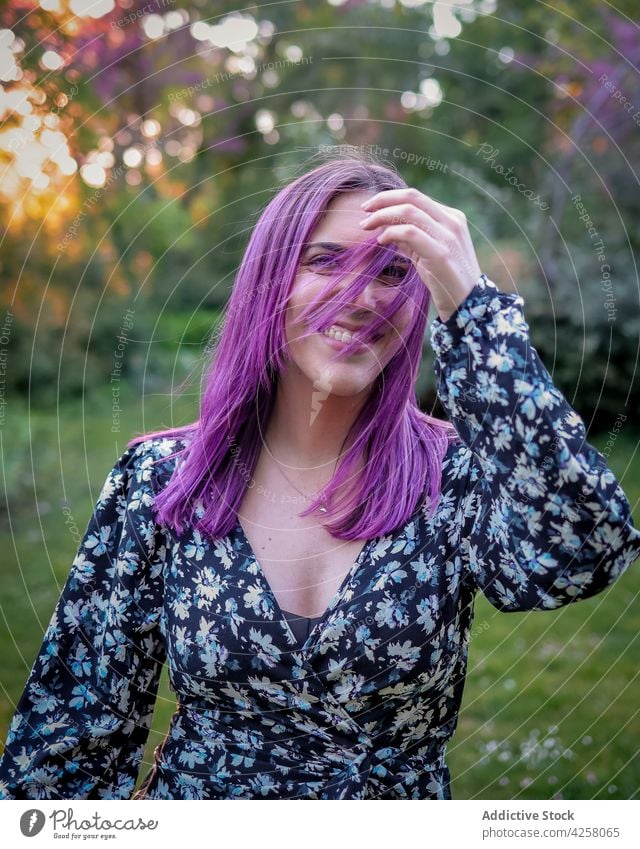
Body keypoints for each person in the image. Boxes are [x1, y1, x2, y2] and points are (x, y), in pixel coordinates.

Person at [0, 153, 638, 800]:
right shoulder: (160, 482)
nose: (361, 299)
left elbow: (581, 554)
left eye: (392, 272)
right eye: (326, 260)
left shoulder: (453, 480)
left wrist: (472, 309)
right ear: (268, 281)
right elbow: (70, 733)